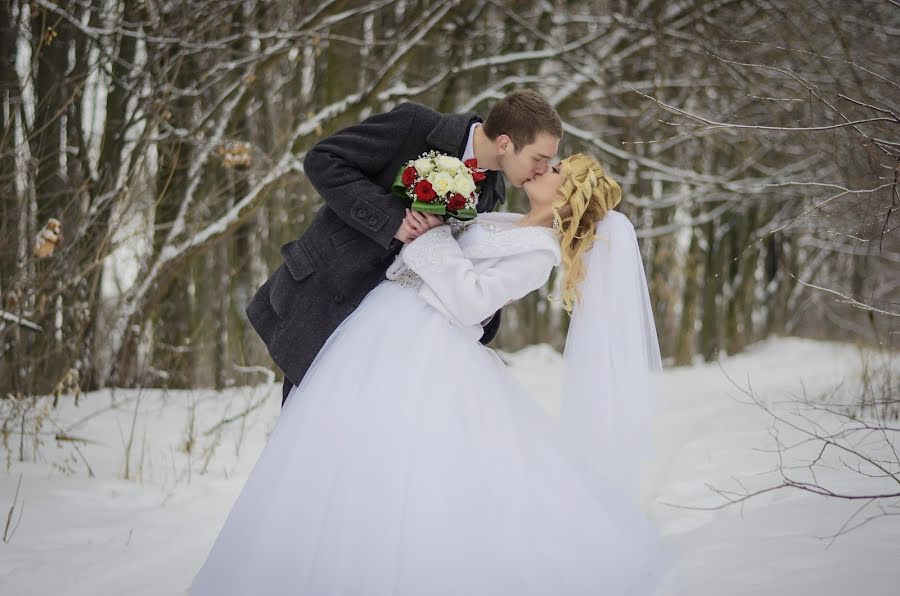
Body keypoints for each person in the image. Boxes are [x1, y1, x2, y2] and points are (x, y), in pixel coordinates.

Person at [192, 154, 676, 595]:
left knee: (404, 460)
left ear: (568, 197)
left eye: (555, 172)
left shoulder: (539, 252)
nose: (542, 168)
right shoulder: (505, 220)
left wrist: (433, 237)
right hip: (383, 322)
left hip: (424, 343)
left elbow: (471, 302)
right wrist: (429, 217)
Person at [244, 90, 563, 405]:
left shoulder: (492, 190)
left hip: (390, 338)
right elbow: (324, 160)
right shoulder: (415, 125)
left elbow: (456, 268)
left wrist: (486, 308)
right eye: (539, 158)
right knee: (306, 427)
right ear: (506, 143)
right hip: (328, 297)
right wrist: (391, 220)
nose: (542, 169)